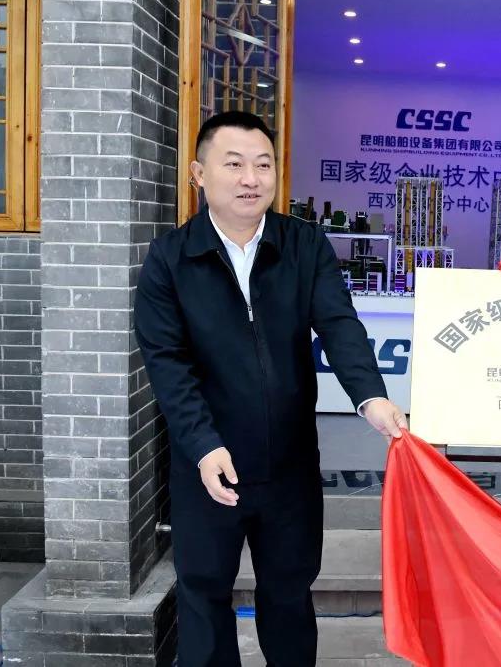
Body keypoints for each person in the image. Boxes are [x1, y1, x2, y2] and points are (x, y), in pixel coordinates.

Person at [135, 110, 407, 666]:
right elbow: (167, 363)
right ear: (198, 174)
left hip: (289, 463)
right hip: (210, 464)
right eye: (233, 164)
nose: (250, 179)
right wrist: (202, 445)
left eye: (263, 165)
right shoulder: (171, 259)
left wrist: (370, 396)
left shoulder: (303, 245)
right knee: (204, 592)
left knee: (288, 592)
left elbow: (339, 324)